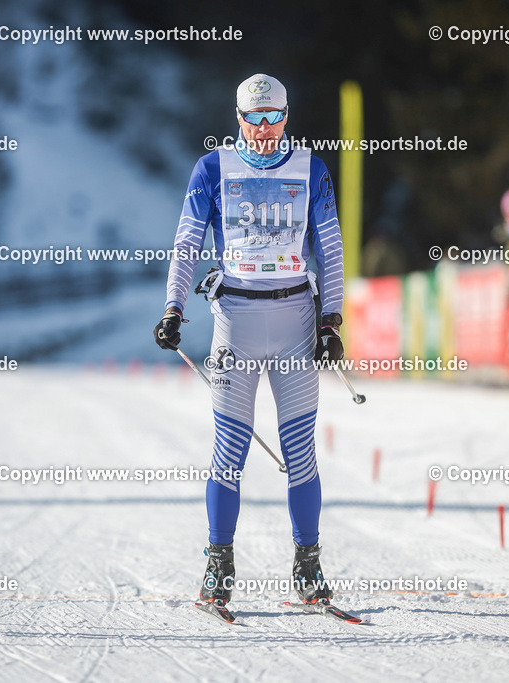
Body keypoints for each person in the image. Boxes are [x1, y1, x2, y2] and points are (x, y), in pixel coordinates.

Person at [153, 73, 345, 615]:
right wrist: (173, 308)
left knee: (301, 454)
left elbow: (329, 249)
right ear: (237, 119)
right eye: (253, 119)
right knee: (228, 453)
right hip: (234, 320)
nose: (263, 130)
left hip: (294, 324)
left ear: (287, 116)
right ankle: (218, 565)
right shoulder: (212, 168)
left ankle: (308, 567)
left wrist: (330, 320)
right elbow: (188, 242)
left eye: (273, 118)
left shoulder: (311, 168)